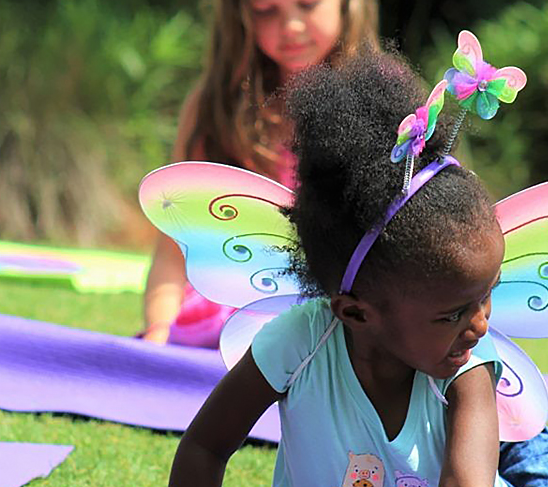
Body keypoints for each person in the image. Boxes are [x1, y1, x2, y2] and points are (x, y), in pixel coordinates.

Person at [141, 49, 548, 487]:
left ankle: (525, 446)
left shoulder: (468, 365)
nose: (482, 323)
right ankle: (509, 444)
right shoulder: (300, 343)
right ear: (356, 312)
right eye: (455, 311)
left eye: (488, 296)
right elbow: (206, 444)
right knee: (472, 443)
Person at [141, 0, 380, 346]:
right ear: (240, 16)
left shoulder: (378, 105)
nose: (291, 26)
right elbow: (175, 245)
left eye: (308, 4)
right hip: (220, 315)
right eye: (266, 10)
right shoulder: (216, 108)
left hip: (332, 318)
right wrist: (158, 329)